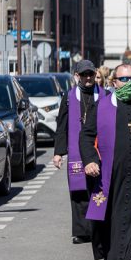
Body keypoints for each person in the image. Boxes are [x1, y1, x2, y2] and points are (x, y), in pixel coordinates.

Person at [80, 64, 131, 260]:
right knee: (113, 217)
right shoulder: (102, 106)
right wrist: (90, 160)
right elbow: (86, 136)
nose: (129, 83)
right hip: (113, 176)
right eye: (124, 79)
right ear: (114, 82)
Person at [53, 60, 100, 244]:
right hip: (76, 151)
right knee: (79, 192)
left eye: (90, 74)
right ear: (77, 76)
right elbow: (62, 125)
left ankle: (98, 227)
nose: (88, 78)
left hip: (97, 150)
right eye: (84, 75)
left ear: (95, 74)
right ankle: (82, 231)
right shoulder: (69, 97)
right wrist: (58, 152)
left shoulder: (104, 95)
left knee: (98, 189)